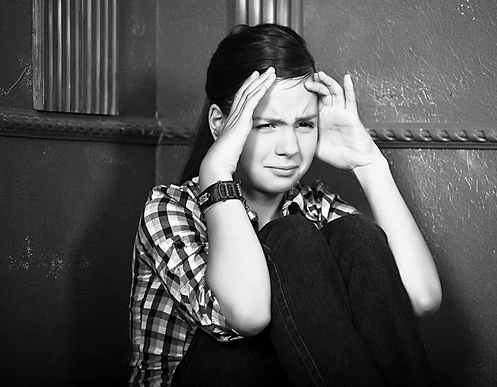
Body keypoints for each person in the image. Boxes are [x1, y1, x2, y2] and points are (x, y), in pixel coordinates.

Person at [129, 23, 442, 387]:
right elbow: (248, 314)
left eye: (304, 124)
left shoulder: (314, 205)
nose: (290, 147)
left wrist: (370, 165)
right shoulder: (168, 209)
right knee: (291, 237)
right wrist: (216, 170)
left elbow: (419, 298)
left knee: (357, 233)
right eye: (266, 125)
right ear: (221, 124)